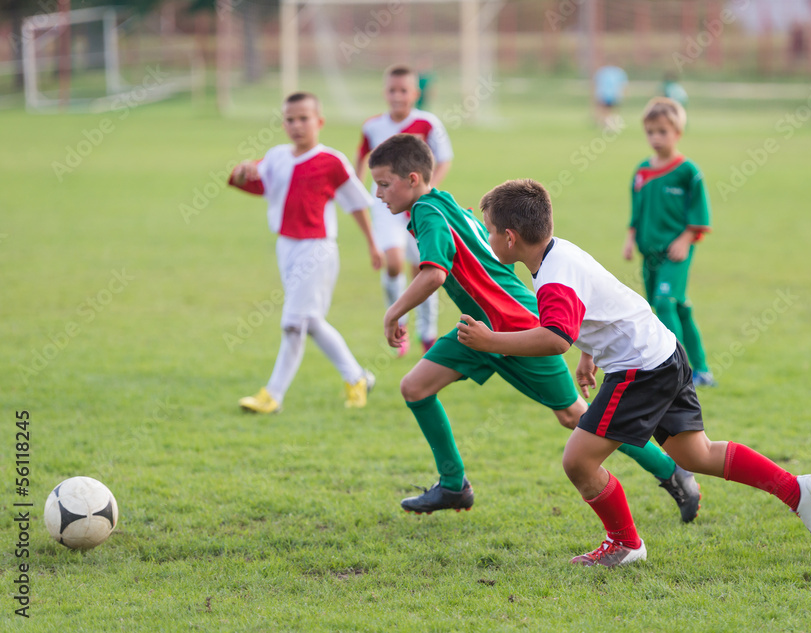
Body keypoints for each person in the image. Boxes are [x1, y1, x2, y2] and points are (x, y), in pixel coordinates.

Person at [458, 178, 811, 567]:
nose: (486, 237)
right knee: (695, 453)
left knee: (579, 461)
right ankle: (797, 491)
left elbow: (556, 339)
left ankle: (625, 543)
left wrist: (491, 342)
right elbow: (596, 306)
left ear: (509, 237)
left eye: (488, 230)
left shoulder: (553, 278)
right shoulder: (560, 253)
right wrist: (590, 354)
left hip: (640, 369)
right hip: (662, 352)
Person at [367, 134, 701, 520]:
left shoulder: (427, 212)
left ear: (412, 179)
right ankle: (453, 485)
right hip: (479, 329)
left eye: (383, 183)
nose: (378, 193)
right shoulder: (440, 201)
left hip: (515, 325)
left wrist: (394, 312)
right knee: (415, 387)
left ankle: (672, 473)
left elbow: (434, 274)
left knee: (575, 415)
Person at [228, 92, 381, 413]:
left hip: (317, 249)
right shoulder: (277, 157)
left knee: (293, 323)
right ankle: (357, 377)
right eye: (290, 119)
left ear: (319, 122)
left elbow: (356, 205)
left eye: (304, 118)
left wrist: (372, 244)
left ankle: (272, 396)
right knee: (309, 321)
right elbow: (256, 182)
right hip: (286, 247)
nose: (296, 125)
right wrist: (242, 172)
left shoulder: (332, 161)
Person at [356, 64, 453, 357]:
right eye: (392, 90)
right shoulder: (373, 126)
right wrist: (361, 195)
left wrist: (426, 192)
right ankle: (398, 323)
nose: (397, 96)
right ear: (385, 92)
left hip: (419, 207)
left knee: (425, 270)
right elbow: (359, 162)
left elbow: (444, 159)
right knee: (395, 263)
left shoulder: (428, 123)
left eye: (403, 90)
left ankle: (428, 333)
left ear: (415, 93)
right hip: (386, 206)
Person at [623, 97, 715, 387]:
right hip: (648, 252)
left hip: (676, 252)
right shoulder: (641, 171)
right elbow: (636, 209)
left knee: (664, 303)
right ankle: (701, 369)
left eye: (662, 131)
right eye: (650, 132)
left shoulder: (688, 172)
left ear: (678, 132)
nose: (656, 137)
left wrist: (687, 238)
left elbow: (700, 213)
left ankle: (678, 372)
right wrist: (630, 238)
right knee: (677, 307)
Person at [593, 64, 628, 129]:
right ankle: (610, 125)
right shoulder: (618, 71)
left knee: (607, 112)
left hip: (608, 95)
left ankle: (608, 125)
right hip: (611, 95)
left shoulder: (603, 71)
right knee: (609, 111)